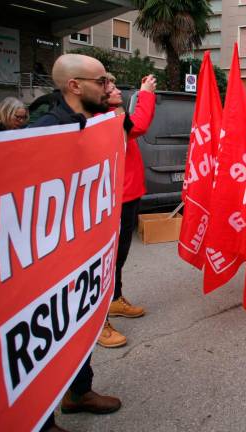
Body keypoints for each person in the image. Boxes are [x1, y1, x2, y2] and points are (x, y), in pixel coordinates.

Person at [30, 53, 122, 432]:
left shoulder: (92, 124)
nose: (108, 87)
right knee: (46, 338)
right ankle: (39, 419)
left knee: (80, 322)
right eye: (101, 82)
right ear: (74, 86)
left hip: (82, 250)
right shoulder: (46, 129)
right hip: (51, 255)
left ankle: (78, 390)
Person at [99, 73, 157, 348]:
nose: (115, 89)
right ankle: (98, 319)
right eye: (107, 85)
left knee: (119, 256)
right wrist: (145, 92)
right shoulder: (105, 117)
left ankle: (115, 299)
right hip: (115, 198)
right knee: (109, 260)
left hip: (128, 194)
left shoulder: (114, 112)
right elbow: (140, 124)